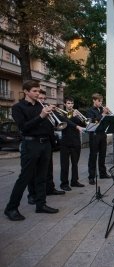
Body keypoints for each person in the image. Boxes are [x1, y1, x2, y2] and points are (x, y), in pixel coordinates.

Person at [4, 80, 59, 221]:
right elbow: (24, 127)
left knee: (42, 177)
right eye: (34, 91)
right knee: (25, 177)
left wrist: (53, 118)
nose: (37, 93)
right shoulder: (18, 107)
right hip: (30, 145)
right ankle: (11, 208)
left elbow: (47, 127)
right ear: (26, 91)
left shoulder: (41, 105)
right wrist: (41, 116)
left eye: (38, 91)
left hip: (45, 144)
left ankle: (41, 204)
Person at [27, 90, 65, 205]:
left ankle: (50, 188)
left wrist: (54, 113)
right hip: (34, 144)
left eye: (44, 98)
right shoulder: (34, 110)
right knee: (33, 171)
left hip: (48, 142)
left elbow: (55, 124)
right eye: (40, 98)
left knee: (48, 168)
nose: (42, 100)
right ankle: (32, 195)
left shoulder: (45, 108)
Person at [59, 96, 86, 191]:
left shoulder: (76, 113)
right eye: (68, 103)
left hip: (76, 141)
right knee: (65, 164)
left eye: (72, 103)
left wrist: (80, 118)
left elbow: (83, 125)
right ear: (65, 104)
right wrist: (72, 115)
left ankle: (74, 181)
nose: (70, 105)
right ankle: (64, 183)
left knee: (75, 163)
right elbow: (65, 122)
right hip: (65, 142)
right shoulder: (61, 113)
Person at [87, 93, 111, 185]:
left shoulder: (101, 109)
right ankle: (91, 177)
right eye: (99, 101)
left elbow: (107, 121)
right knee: (93, 156)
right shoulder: (90, 111)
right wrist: (103, 114)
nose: (101, 103)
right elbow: (93, 121)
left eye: (101, 101)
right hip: (94, 135)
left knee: (102, 155)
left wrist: (108, 114)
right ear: (94, 100)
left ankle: (102, 173)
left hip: (102, 134)